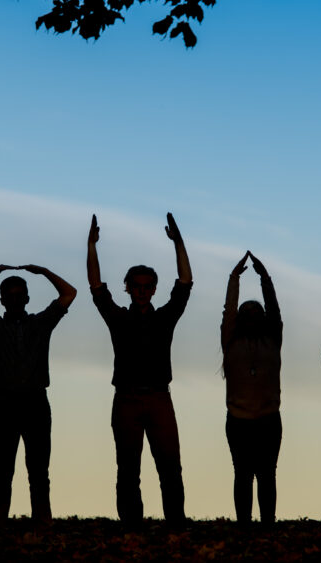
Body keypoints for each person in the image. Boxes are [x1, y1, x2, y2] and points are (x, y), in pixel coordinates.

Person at [87, 212, 192, 525]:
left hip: (160, 398)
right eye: (137, 286)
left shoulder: (165, 317)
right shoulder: (119, 318)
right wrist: (91, 246)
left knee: (170, 465)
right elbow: (96, 287)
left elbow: (185, 283)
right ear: (129, 288)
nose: (143, 290)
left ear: (154, 289)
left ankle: (176, 522)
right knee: (128, 467)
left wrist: (179, 243)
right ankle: (131, 525)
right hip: (126, 399)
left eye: (148, 286)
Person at [0, 263, 77, 522]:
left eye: (19, 295)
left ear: (27, 298)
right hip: (5, 404)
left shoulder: (40, 323)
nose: (15, 300)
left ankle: (42, 525)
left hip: (35, 402)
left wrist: (44, 271)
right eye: (10, 296)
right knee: (1, 471)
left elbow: (69, 293)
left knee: (39, 471)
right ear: (2, 300)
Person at [220, 251, 283, 524]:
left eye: (256, 313)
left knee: (267, 473)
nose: (251, 317)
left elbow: (275, 310)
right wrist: (234, 278)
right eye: (246, 313)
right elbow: (229, 312)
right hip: (239, 420)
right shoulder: (231, 342)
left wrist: (265, 278)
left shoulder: (273, 340)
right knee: (243, 474)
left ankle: (268, 523)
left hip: (269, 419)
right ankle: (244, 524)